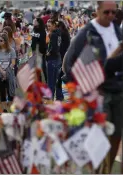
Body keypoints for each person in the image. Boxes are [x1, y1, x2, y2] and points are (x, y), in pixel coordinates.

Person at [63, 1, 123, 173]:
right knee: (99, 139)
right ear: (97, 11)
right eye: (107, 12)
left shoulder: (116, 29)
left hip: (118, 89)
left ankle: (107, 170)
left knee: (117, 135)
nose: (111, 16)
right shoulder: (86, 33)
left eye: (114, 12)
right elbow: (70, 63)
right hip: (99, 92)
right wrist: (81, 88)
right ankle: (97, 172)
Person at [0, 33, 16, 112]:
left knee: (11, 93)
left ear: (5, 41)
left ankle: (10, 108)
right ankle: (4, 110)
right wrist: (2, 72)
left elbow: (13, 63)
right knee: (2, 93)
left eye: (1, 40)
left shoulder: (11, 50)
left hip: (9, 74)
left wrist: (6, 72)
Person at [46, 19, 62, 99]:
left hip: (52, 59)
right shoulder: (58, 33)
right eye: (47, 26)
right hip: (58, 58)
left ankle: (50, 98)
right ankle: (58, 97)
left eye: (49, 26)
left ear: (53, 25)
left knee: (51, 81)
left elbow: (53, 47)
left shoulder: (53, 35)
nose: (48, 28)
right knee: (56, 80)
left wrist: (48, 53)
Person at [31, 17, 47, 82]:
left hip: (40, 51)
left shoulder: (42, 31)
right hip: (34, 51)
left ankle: (47, 79)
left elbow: (43, 42)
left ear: (38, 23)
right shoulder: (34, 29)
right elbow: (33, 40)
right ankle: (39, 81)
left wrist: (41, 52)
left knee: (43, 67)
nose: (33, 22)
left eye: (35, 21)